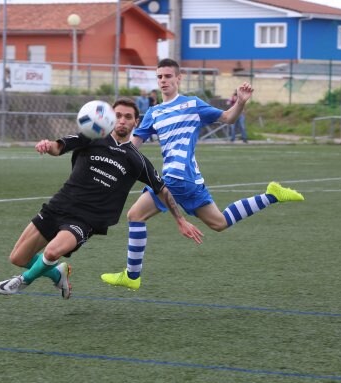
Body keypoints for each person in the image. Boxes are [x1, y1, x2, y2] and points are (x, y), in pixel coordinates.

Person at [101, 58, 304, 290]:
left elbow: (228, 118)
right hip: (190, 180)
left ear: (179, 78)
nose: (163, 81)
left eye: (168, 76)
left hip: (176, 176)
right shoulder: (154, 113)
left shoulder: (192, 104)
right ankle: (271, 195)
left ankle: (132, 276)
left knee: (135, 215)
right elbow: (133, 146)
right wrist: (112, 149)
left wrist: (240, 102)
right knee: (220, 223)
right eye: (159, 77)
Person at [0, 98, 203, 296]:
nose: (122, 120)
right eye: (118, 115)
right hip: (59, 205)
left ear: (135, 122)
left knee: (51, 252)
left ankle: (22, 281)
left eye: (128, 117)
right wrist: (47, 146)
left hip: (85, 220)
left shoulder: (136, 159)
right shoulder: (90, 137)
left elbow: (162, 189)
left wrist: (180, 219)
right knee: (18, 257)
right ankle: (58, 274)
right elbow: (59, 147)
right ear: (111, 117)